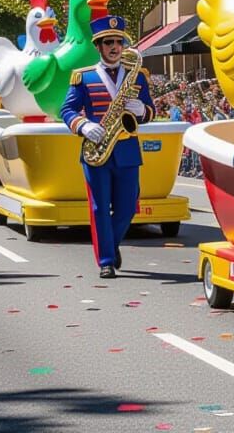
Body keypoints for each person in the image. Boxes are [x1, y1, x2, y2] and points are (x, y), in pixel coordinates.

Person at [61, 15, 156, 279]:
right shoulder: (83, 77)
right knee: (100, 207)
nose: (115, 47)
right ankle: (106, 260)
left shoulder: (138, 76)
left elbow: (151, 111)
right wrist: (83, 125)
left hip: (126, 150)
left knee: (128, 206)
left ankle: (111, 245)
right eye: (108, 42)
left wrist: (142, 110)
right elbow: (67, 110)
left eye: (118, 42)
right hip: (96, 150)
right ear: (99, 46)